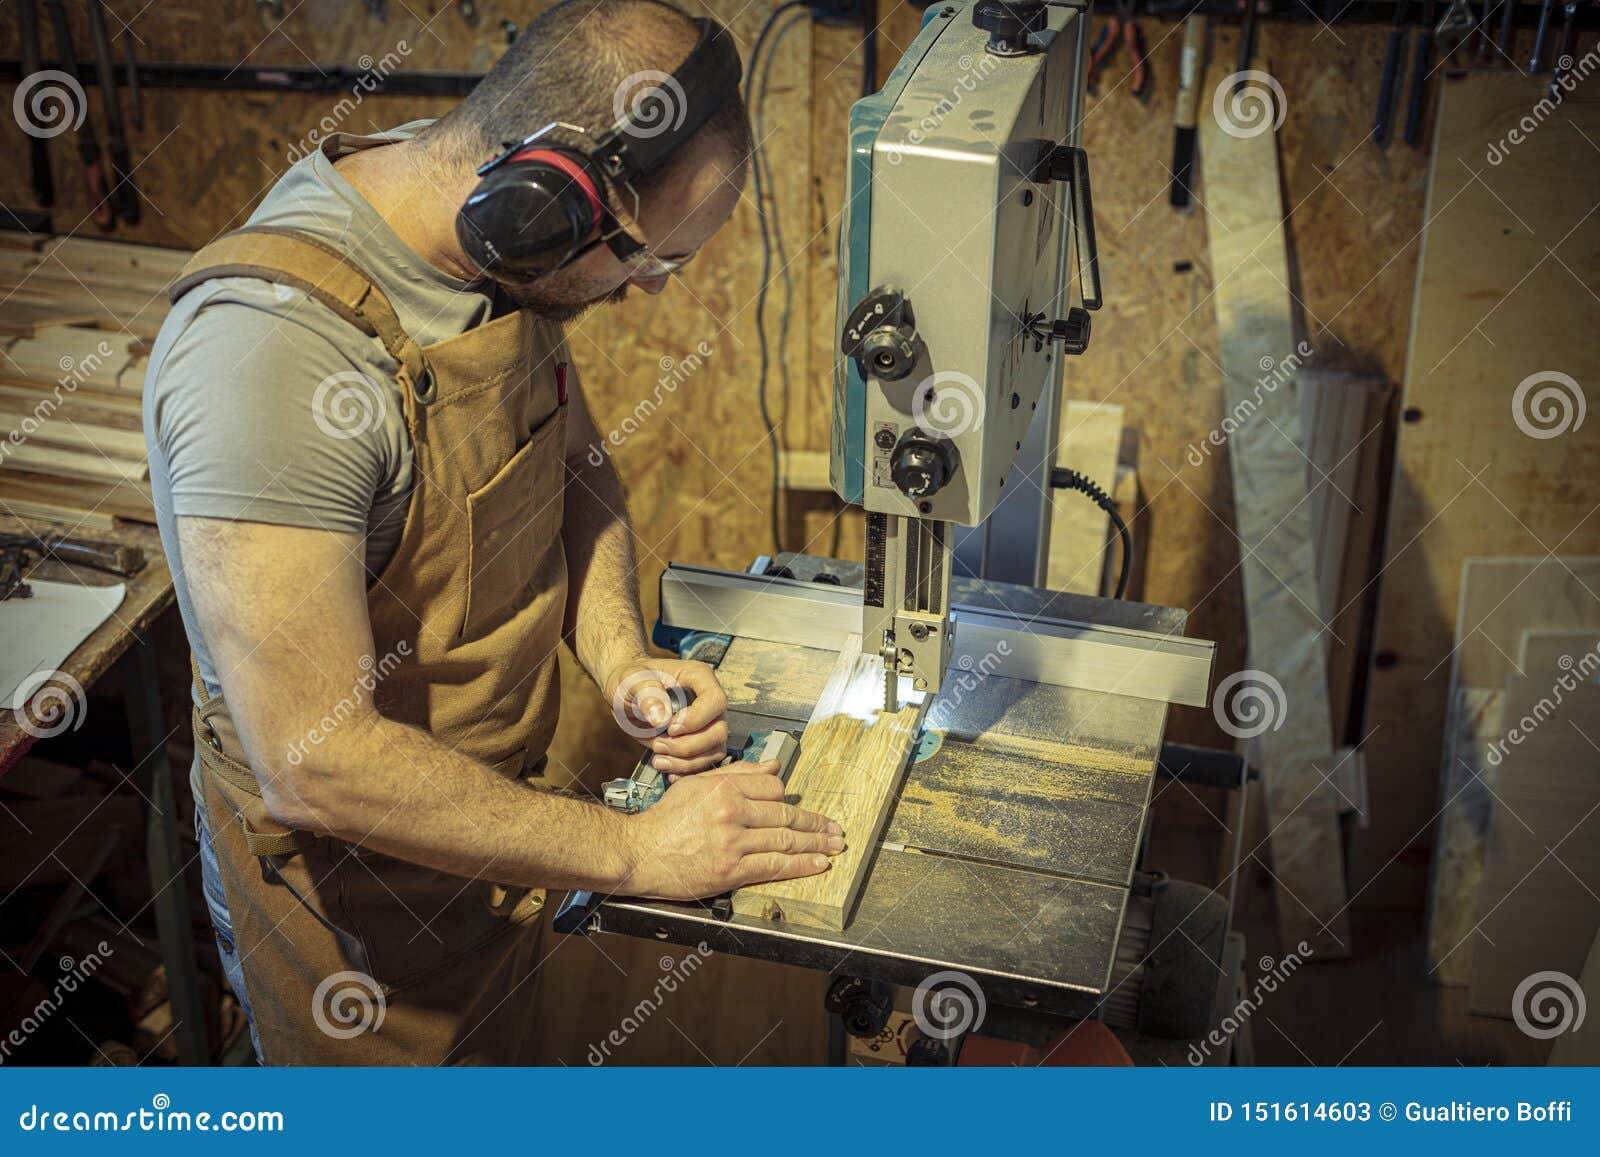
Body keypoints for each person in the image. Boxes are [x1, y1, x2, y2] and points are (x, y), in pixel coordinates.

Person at [143, 0, 840, 1064]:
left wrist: (622, 659)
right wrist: (635, 850)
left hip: (493, 836)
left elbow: (575, 468)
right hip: (351, 917)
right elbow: (316, 762)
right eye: (646, 257)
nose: (648, 291)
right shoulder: (274, 360)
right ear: (544, 193)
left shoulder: (491, 243)